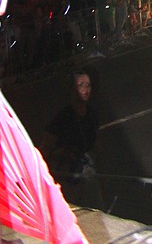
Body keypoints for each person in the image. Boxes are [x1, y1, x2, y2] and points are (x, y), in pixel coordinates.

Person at [41, 69, 100, 205]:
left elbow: (97, 141)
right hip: (68, 178)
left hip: (88, 173)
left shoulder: (91, 114)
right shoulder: (63, 118)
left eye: (88, 85)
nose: (85, 89)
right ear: (72, 90)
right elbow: (45, 147)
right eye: (81, 85)